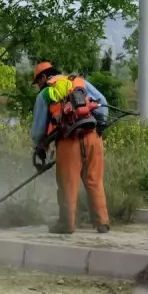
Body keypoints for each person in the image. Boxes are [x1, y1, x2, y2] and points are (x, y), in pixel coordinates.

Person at [30, 61, 111, 235]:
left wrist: (40, 147)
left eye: (37, 82)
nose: (38, 86)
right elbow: (102, 102)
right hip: (93, 137)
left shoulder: (46, 93)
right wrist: (100, 126)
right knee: (94, 180)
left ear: (43, 77)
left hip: (69, 141)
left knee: (68, 183)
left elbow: (37, 131)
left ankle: (66, 224)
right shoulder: (79, 82)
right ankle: (102, 222)